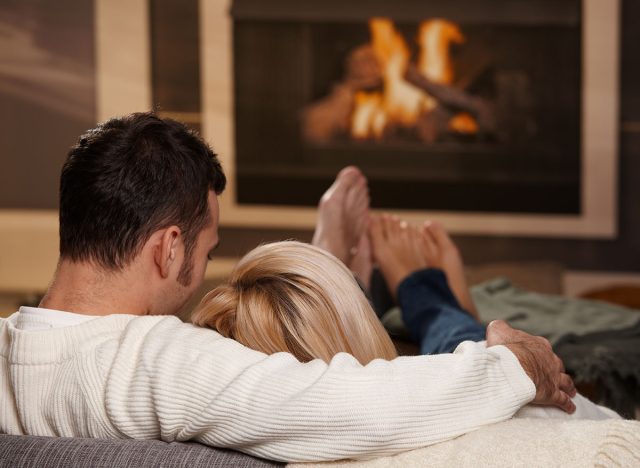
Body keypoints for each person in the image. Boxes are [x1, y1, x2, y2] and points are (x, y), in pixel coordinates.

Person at [0, 112, 576, 463]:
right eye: (207, 254)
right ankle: (347, 278)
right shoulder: (154, 363)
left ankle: (330, 268)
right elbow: (348, 404)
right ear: (168, 248)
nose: (202, 275)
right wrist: (513, 367)